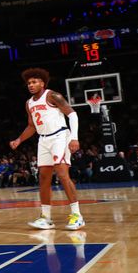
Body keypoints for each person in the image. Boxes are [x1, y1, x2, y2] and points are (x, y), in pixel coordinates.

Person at [10, 68, 84, 230]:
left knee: (62, 174)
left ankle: (77, 215)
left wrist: (74, 137)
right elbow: (32, 126)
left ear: (42, 83)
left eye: (34, 82)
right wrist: (19, 140)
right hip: (43, 140)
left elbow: (72, 115)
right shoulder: (29, 103)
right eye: (29, 83)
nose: (31, 85)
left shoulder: (52, 96)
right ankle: (46, 217)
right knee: (43, 177)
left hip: (60, 136)